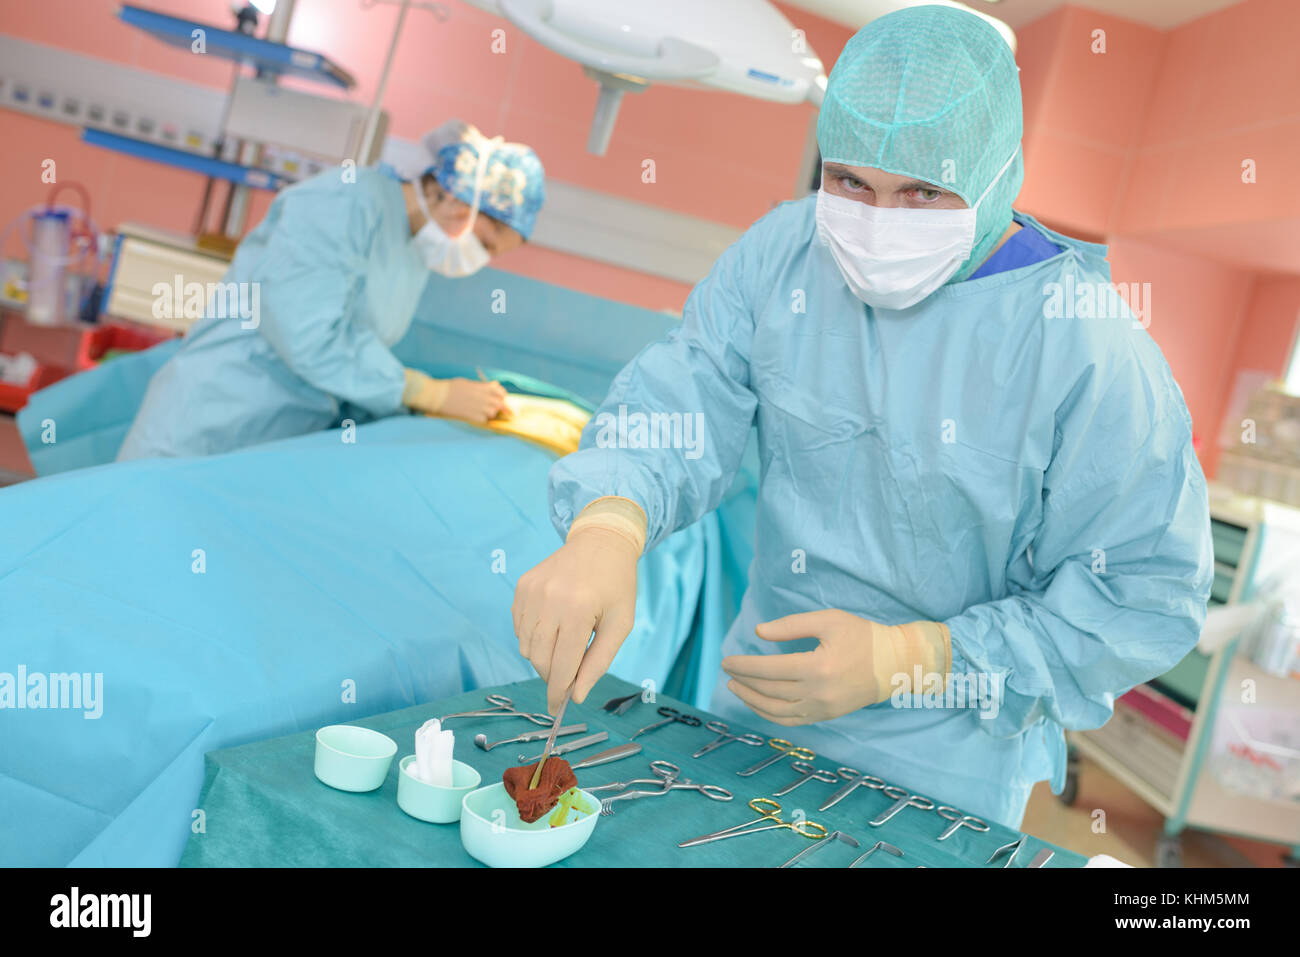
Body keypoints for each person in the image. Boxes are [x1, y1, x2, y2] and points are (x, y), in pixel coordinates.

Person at [511, 5, 1213, 828]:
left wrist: (912, 659)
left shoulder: (1087, 345)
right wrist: (610, 522)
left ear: (995, 176)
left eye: (921, 191)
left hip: (942, 763)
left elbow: (1143, 592)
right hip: (756, 713)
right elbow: (686, 392)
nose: (878, 221)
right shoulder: (785, 254)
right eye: (850, 182)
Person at [117, 122, 545, 460]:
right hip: (205, 426)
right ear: (458, 201)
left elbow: (350, 359)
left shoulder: (413, 251)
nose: (480, 258)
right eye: (486, 242)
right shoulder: (343, 203)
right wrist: (428, 393)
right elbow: (308, 336)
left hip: (266, 445)